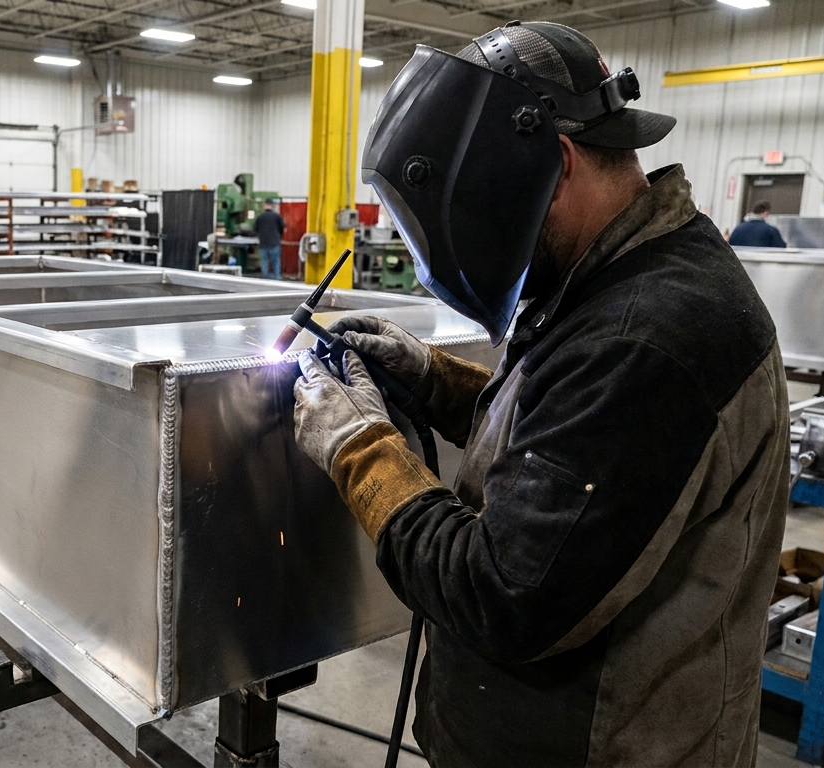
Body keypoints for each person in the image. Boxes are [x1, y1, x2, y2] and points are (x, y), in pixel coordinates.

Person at [292, 21, 787, 766]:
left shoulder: (649, 335)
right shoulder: (624, 275)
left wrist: (362, 450)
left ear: (553, 163)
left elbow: (502, 596)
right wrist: (434, 380)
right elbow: (572, 439)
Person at [253, 199, 284, 280]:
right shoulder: (277, 216)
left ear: (264, 205)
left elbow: (255, 229)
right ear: (272, 206)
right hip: (274, 243)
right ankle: (277, 279)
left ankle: (265, 280)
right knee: (276, 262)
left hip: (263, 243)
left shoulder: (260, 217)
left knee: (264, 263)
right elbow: (283, 228)